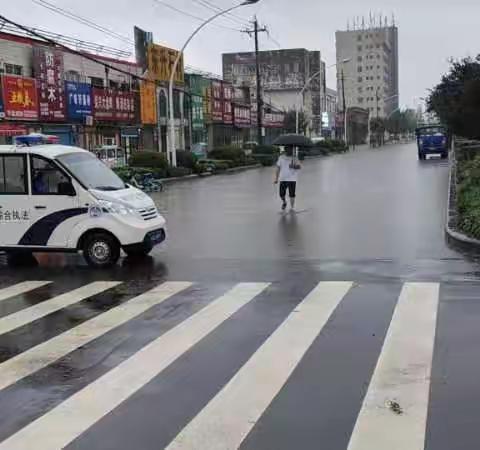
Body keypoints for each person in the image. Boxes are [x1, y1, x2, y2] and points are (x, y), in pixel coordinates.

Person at [274, 146, 301, 211]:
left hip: (292, 179)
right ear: (285, 150)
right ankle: (284, 202)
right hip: (283, 178)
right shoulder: (281, 157)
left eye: (291, 149)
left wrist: (294, 166)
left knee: (292, 194)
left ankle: (292, 208)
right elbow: (278, 168)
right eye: (288, 149)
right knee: (281, 194)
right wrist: (276, 178)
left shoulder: (295, 158)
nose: (289, 151)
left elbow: (299, 167)